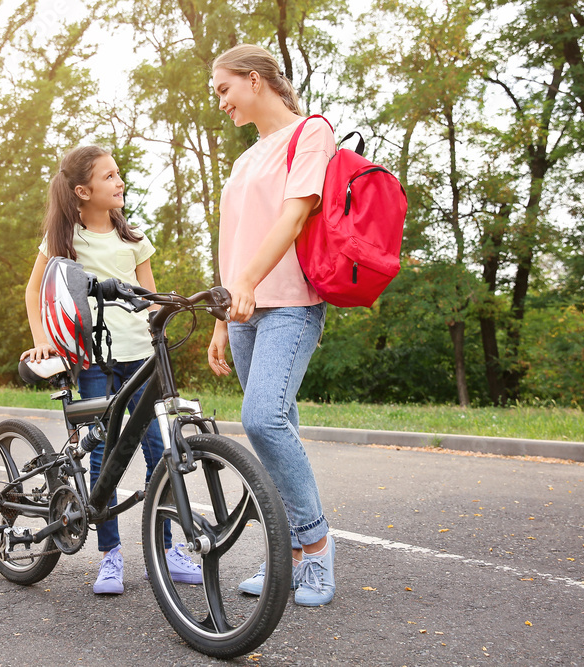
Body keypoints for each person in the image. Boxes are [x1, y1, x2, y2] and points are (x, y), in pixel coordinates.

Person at [21, 145, 202, 595]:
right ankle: (110, 556)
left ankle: (164, 552)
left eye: (118, 174)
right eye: (109, 176)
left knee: (159, 453)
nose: (119, 181)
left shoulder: (135, 239)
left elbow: (151, 299)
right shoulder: (64, 242)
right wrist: (43, 338)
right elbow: (34, 293)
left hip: (139, 355)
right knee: (104, 458)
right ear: (83, 191)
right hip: (94, 358)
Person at [208, 44, 335, 606]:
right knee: (278, 430)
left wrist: (250, 282)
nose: (222, 102)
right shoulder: (244, 159)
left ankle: (319, 554)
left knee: (261, 421)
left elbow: (296, 213)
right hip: (241, 310)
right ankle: (286, 561)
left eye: (224, 90)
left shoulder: (312, 132)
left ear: (254, 81)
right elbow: (231, 244)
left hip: (290, 302)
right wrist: (221, 315)